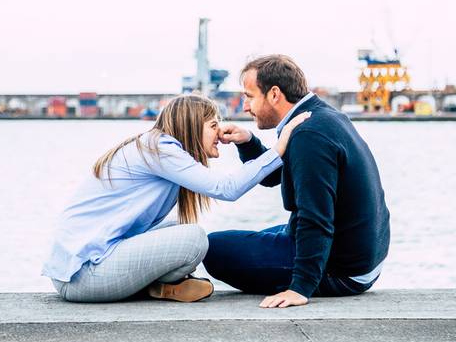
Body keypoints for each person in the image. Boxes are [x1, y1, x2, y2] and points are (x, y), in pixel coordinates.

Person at [42, 94, 309, 303]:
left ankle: (158, 287)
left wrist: (246, 141)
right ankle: (156, 286)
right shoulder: (160, 150)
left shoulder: (155, 146)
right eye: (213, 126)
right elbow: (227, 189)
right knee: (194, 238)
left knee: (175, 229)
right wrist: (279, 146)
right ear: (192, 126)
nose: (219, 133)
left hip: (80, 270)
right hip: (82, 276)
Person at [204, 55, 390, 308]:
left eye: (249, 96)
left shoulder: (308, 135)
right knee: (248, 238)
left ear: (274, 94)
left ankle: (305, 275)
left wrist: (300, 287)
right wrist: (248, 141)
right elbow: (274, 177)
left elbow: (316, 215)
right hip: (362, 257)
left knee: (212, 248)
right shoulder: (320, 116)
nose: (245, 106)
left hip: (342, 271)